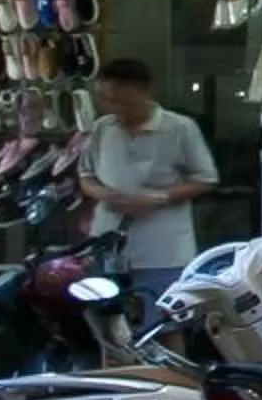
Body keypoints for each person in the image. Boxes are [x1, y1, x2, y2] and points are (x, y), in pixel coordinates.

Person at [78, 58, 218, 321]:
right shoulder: (103, 128)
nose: (113, 108)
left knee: (162, 324)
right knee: (107, 324)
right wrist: (105, 195)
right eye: (106, 100)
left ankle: (167, 364)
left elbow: (206, 179)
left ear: (143, 92)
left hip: (163, 249)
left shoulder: (179, 128)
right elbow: (86, 177)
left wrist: (158, 198)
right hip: (107, 247)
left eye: (120, 101)